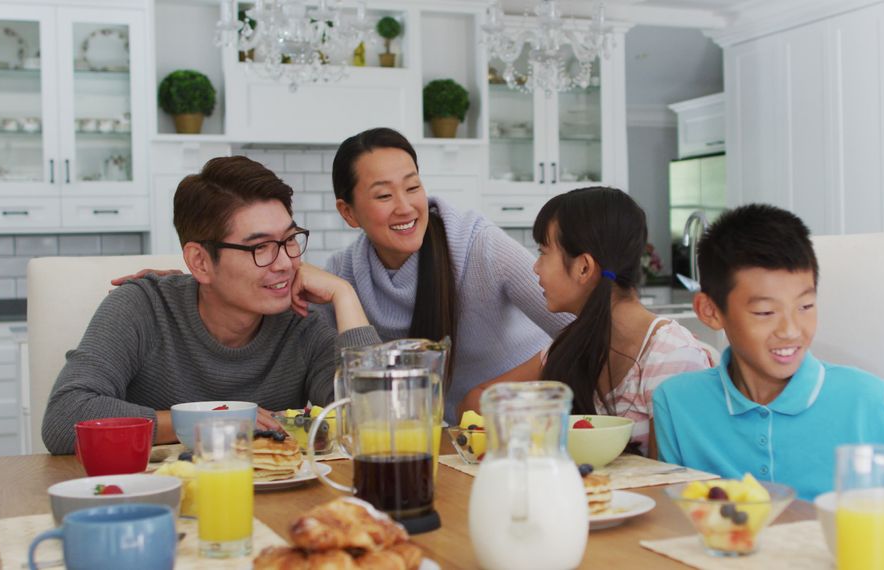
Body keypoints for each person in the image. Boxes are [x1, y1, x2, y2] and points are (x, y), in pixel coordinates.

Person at [42, 156, 379, 455]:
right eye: (260, 247)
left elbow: (374, 422)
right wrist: (213, 420)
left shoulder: (302, 319)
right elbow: (65, 417)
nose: (285, 263)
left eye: (289, 240)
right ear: (200, 262)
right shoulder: (142, 306)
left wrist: (343, 294)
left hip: (272, 504)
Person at [652, 203, 884, 500]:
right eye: (765, 312)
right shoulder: (676, 403)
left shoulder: (867, 401)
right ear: (710, 311)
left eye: (805, 306)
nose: (791, 330)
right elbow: (668, 520)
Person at [313, 128, 571, 422]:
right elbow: (346, 394)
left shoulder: (480, 246)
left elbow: (585, 330)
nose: (405, 207)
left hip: (534, 422)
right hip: (453, 441)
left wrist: (489, 393)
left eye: (412, 188)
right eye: (384, 195)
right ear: (348, 213)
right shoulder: (343, 276)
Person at [459, 187, 714, 457]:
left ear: (583, 267)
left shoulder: (670, 357)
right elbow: (474, 400)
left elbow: (672, 481)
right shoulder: (571, 347)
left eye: (543, 252)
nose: (535, 267)